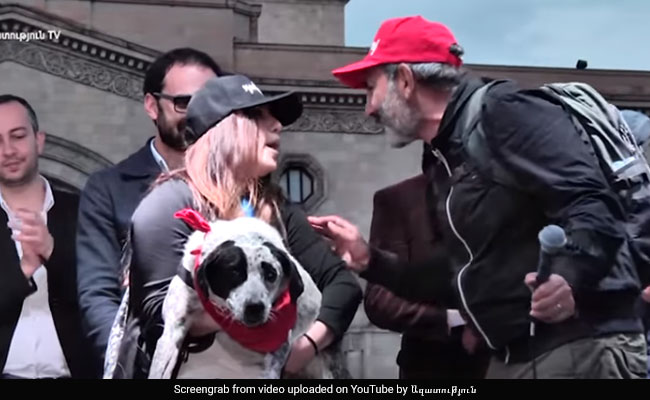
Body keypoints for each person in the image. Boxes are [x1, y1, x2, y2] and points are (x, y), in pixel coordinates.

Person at [309, 15, 647, 378]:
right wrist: (370, 261)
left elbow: (593, 203)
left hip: (582, 347)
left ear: (405, 80)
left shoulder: (505, 111)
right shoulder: (444, 157)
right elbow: (465, 273)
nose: (368, 108)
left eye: (370, 88)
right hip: (516, 356)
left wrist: (568, 277)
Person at [121, 75, 362, 378]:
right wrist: (261, 310)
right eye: (257, 115)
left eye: (275, 118)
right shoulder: (167, 205)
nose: (277, 125)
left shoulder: (278, 209)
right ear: (219, 130)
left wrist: (305, 347)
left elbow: (343, 286)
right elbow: (161, 317)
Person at [76, 48, 222, 372]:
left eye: (209, 101)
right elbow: (98, 298)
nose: (199, 113)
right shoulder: (108, 189)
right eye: (184, 102)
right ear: (152, 106)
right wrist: (136, 368)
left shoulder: (243, 185)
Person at [365, 145, 489, 378]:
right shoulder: (398, 200)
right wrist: (456, 319)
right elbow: (380, 302)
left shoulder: (507, 197)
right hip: (431, 367)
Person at [0, 95, 95, 378]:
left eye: (18, 136)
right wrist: (25, 270)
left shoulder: (83, 211)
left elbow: (102, 298)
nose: (8, 150)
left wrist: (52, 251)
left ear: (38, 141)